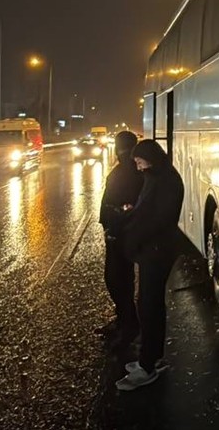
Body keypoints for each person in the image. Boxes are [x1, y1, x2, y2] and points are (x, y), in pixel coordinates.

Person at [115, 139, 184, 391]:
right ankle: (152, 357)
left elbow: (159, 219)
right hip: (152, 251)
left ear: (150, 157)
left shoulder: (166, 181)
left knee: (149, 305)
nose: (138, 166)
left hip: (157, 252)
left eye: (139, 161)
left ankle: (147, 367)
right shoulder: (157, 176)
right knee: (149, 304)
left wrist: (133, 229)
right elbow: (148, 210)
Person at [96, 131, 145, 343]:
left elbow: (125, 203)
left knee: (117, 279)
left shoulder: (129, 170)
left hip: (120, 233)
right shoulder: (131, 168)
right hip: (118, 231)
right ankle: (125, 320)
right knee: (119, 279)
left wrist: (115, 224)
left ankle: (128, 325)